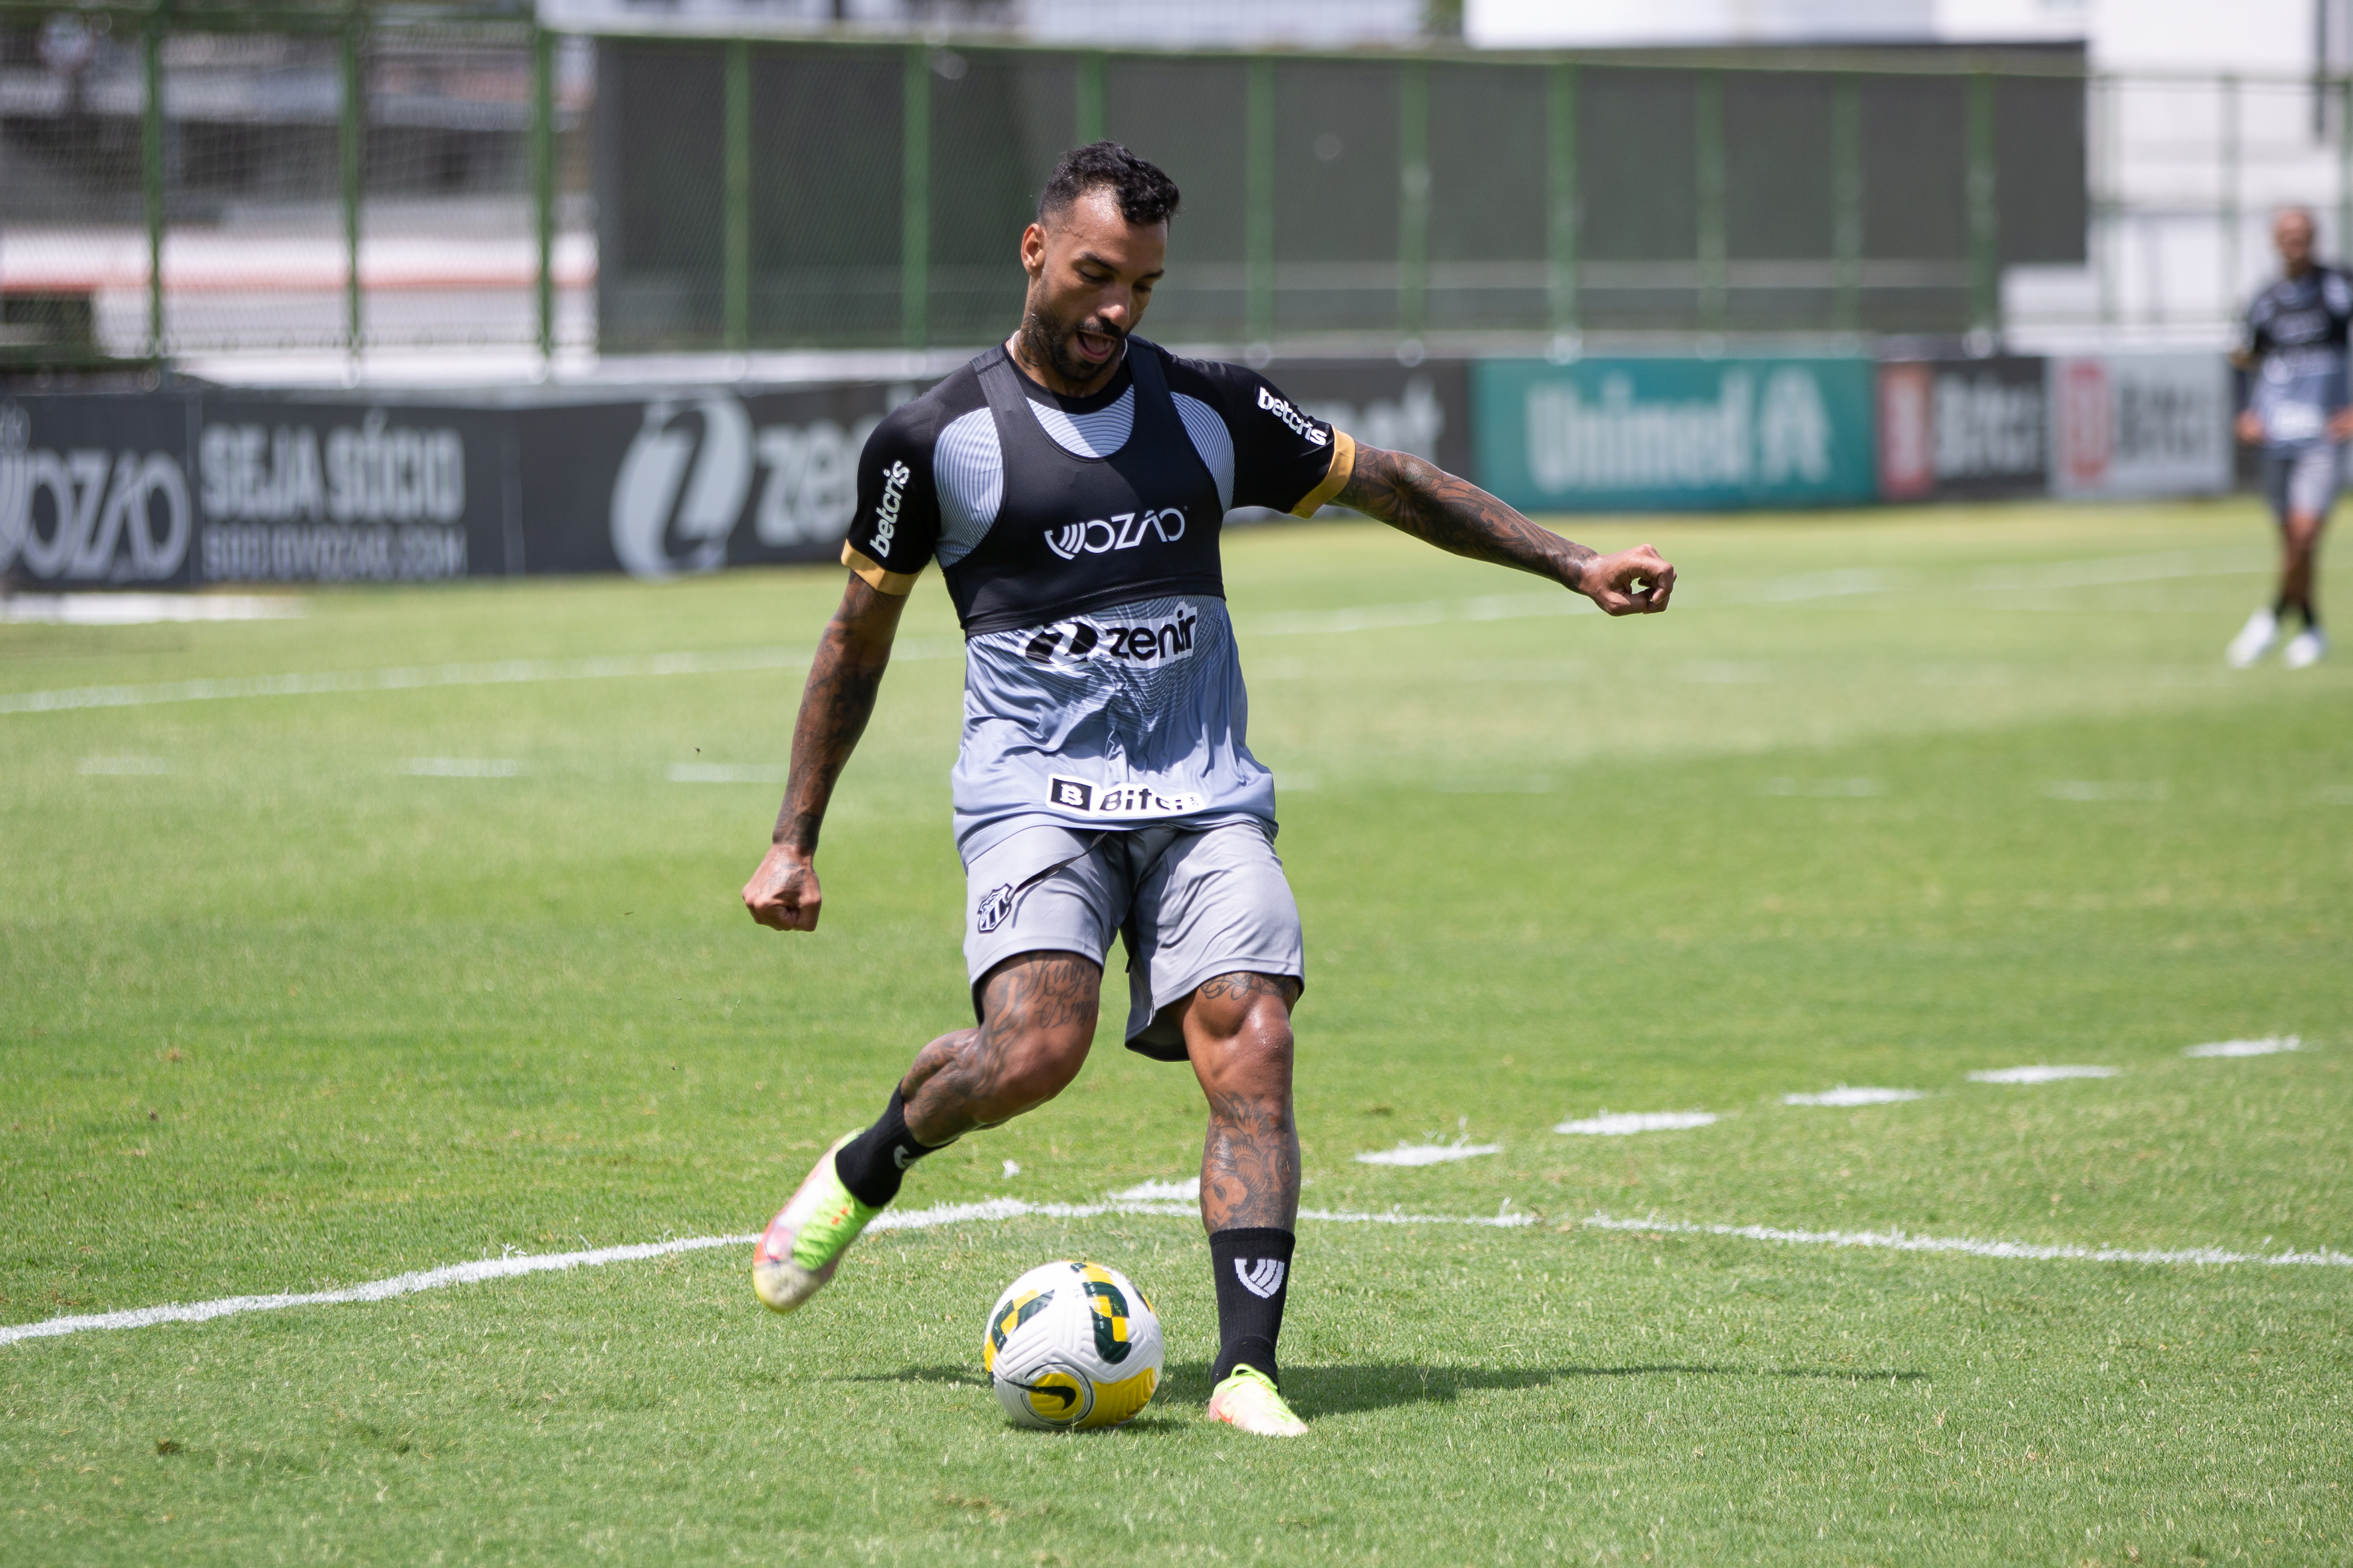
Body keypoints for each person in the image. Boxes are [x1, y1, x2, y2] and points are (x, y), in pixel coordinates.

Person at [739, 143, 1675, 1437]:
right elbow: (857, 639)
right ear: (1033, 251)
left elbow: (1388, 483)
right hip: (1034, 801)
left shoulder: (1207, 409)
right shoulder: (931, 441)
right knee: (1034, 1048)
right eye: (1093, 274)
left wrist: (1569, 563)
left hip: (1200, 798)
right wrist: (794, 837)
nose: (1116, 310)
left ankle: (1247, 1371)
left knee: (1251, 1033)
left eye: (1143, 285)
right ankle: (869, 1161)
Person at [2228, 205, 2350, 669]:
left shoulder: (2338, 288)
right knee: (2291, 542)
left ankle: (2269, 619)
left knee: (2303, 535)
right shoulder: (2264, 300)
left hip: (2320, 435)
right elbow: (2242, 358)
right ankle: (2313, 629)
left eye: (2304, 234)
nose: (2296, 243)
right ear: (2275, 241)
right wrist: (2245, 412)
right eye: (2288, 235)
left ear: (2315, 238)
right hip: (2276, 437)